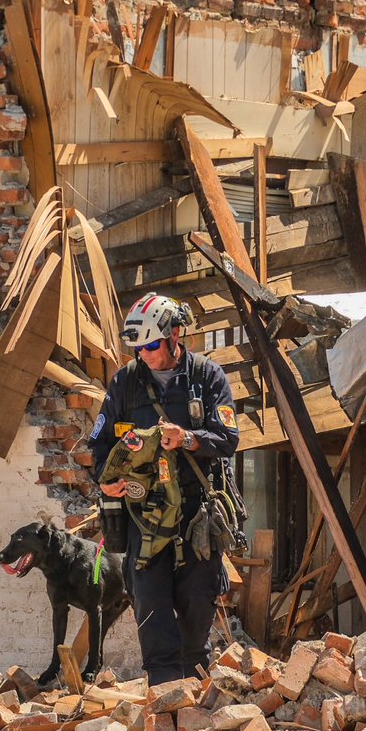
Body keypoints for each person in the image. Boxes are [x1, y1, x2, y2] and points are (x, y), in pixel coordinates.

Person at [89, 292, 239, 685]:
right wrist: (109, 483)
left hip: (196, 516)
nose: (145, 355)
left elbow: (228, 439)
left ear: (176, 334)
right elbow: (99, 447)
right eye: (138, 348)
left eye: (152, 345)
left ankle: (196, 705)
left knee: (196, 614)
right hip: (146, 516)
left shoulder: (207, 378)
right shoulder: (125, 383)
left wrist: (188, 439)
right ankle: (164, 697)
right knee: (151, 608)